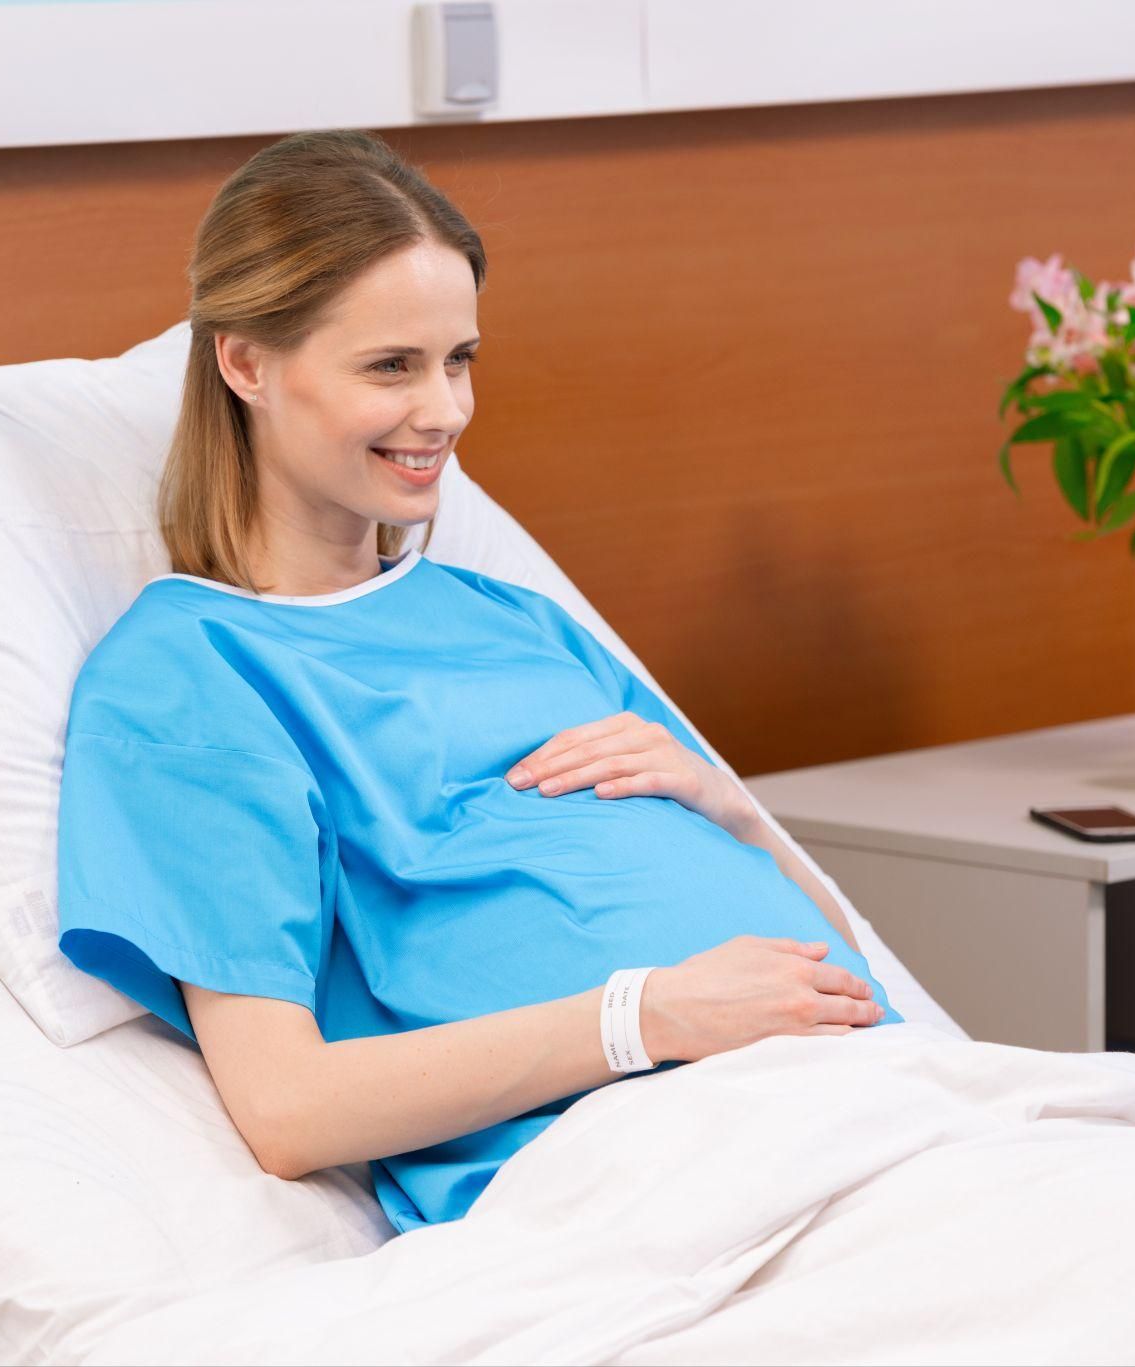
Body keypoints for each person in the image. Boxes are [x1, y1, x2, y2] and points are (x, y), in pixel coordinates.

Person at [55, 128, 899, 1235]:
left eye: (458, 359)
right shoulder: (190, 674)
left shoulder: (512, 617)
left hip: (878, 1096)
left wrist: (731, 808)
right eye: (390, 366)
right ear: (245, 363)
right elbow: (284, 1107)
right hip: (649, 1161)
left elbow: (826, 940)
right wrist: (640, 1016)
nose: (446, 410)